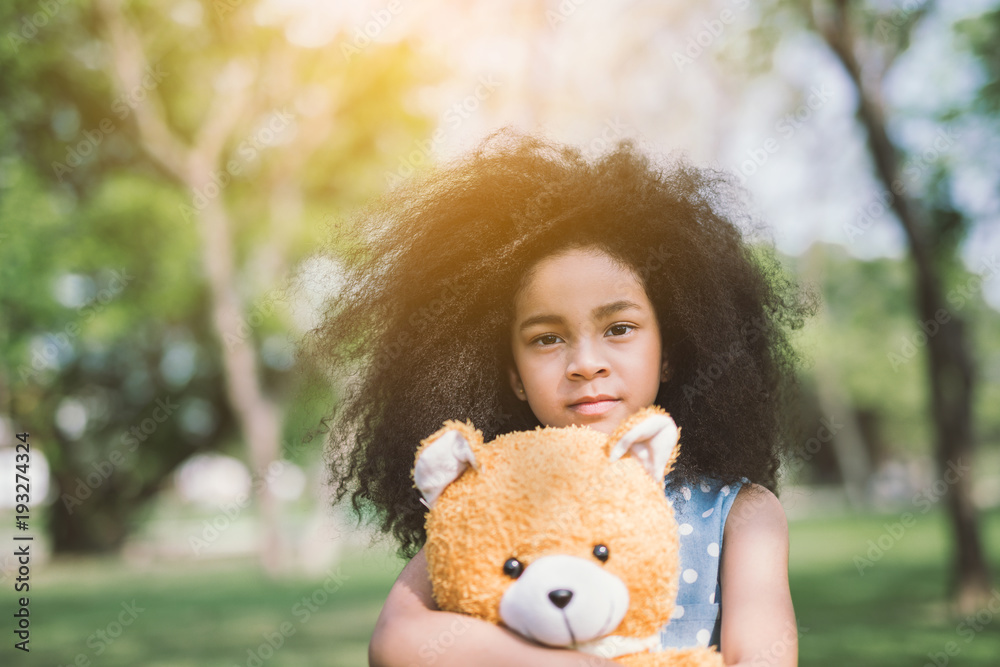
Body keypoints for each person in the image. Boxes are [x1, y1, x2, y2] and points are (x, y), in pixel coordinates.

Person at [301, 128, 816, 666]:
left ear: (671, 351)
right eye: (547, 338)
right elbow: (396, 642)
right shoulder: (485, 498)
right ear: (514, 376)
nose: (585, 363)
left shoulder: (740, 514)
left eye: (618, 328)